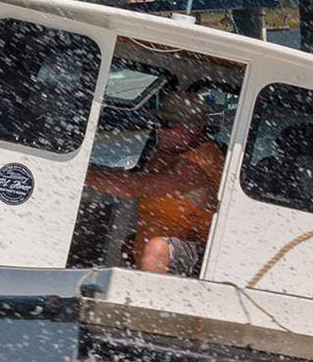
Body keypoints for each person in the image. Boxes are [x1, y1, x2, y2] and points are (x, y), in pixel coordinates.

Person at [84, 90, 223, 275]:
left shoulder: (200, 163)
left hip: (199, 259)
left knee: (156, 248)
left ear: (194, 129)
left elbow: (132, 187)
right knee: (133, 244)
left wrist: (79, 169)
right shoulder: (169, 153)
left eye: (168, 124)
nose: (159, 129)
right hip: (171, 247)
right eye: (158, 122)